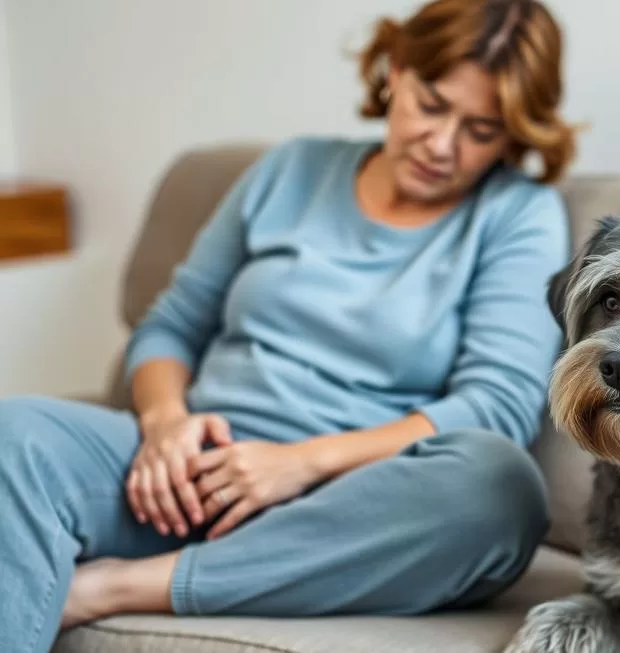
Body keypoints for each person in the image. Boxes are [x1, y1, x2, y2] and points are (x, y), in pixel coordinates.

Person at [0, 1, 577, 651]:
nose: (442, 145)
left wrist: (298, 464)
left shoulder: (518, 215)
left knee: (500, 487)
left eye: (481, 129)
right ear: (394, 71)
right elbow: (168, 326)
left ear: (513, 136)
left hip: (349, 504)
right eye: (432, 104)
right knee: (14, 433)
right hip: (193, 470)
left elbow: (493, 408)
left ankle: (115, 586)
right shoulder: (290, 169)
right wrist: (165, 425)